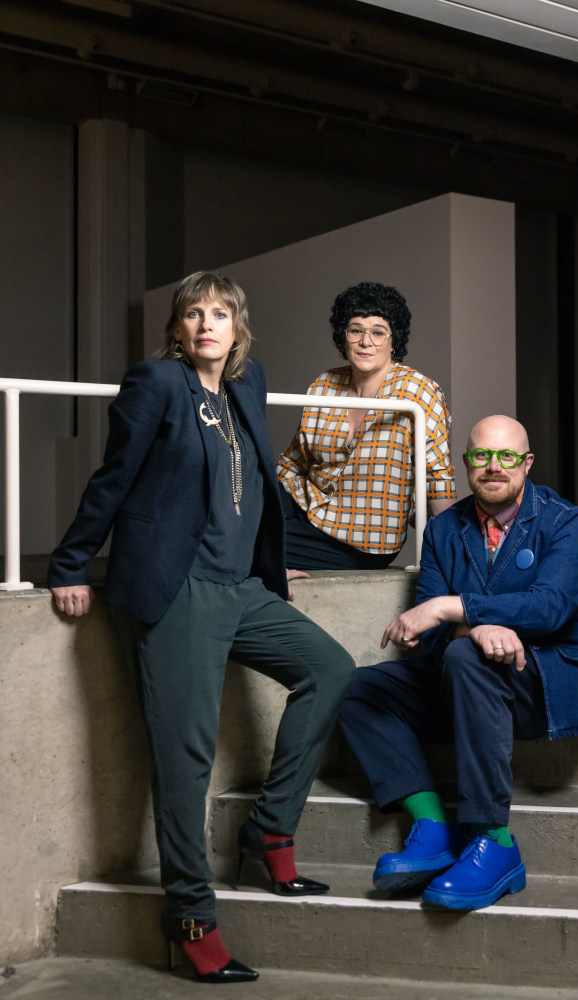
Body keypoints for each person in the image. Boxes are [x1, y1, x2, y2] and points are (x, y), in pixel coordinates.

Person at [47, 271, 356, 983]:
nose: (207, 324)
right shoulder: (156, 384)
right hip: (175, 589)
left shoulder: (248, 386)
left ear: (238, 328)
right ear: (178, 329)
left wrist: (275, 565)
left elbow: (257, 484)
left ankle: (269, 831)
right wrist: (68, 566)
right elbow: (114, 477)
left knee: (329, 668)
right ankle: (189, 916)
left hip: (241, 587)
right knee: (185, 761)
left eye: (220, 313)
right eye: (194, 313)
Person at [339, 414, 578, 910]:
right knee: (360, 688)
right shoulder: (443, 529)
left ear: (526, 464)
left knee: (465, 653)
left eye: (507, 457)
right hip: (466, 680)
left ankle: (493, 839)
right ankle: (433, 824)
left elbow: (550, 608)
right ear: (467, 464)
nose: (494, 467)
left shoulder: (564, 520)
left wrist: (451, 609)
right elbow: (432, 632)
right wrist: (474, 625)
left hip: (545, 679)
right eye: (482, 456)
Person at [277, 282, 456, 570]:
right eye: (356, 330)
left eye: (377, 332)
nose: (365, 341)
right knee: (232, 509)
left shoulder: (418, 391)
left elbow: (438, 482)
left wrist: (451, 560)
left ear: (393, 340)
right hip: (304, 509)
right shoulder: (323, 385)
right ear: (343, 336)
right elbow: (292, 462)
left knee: (249, 544)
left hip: (362, 540)